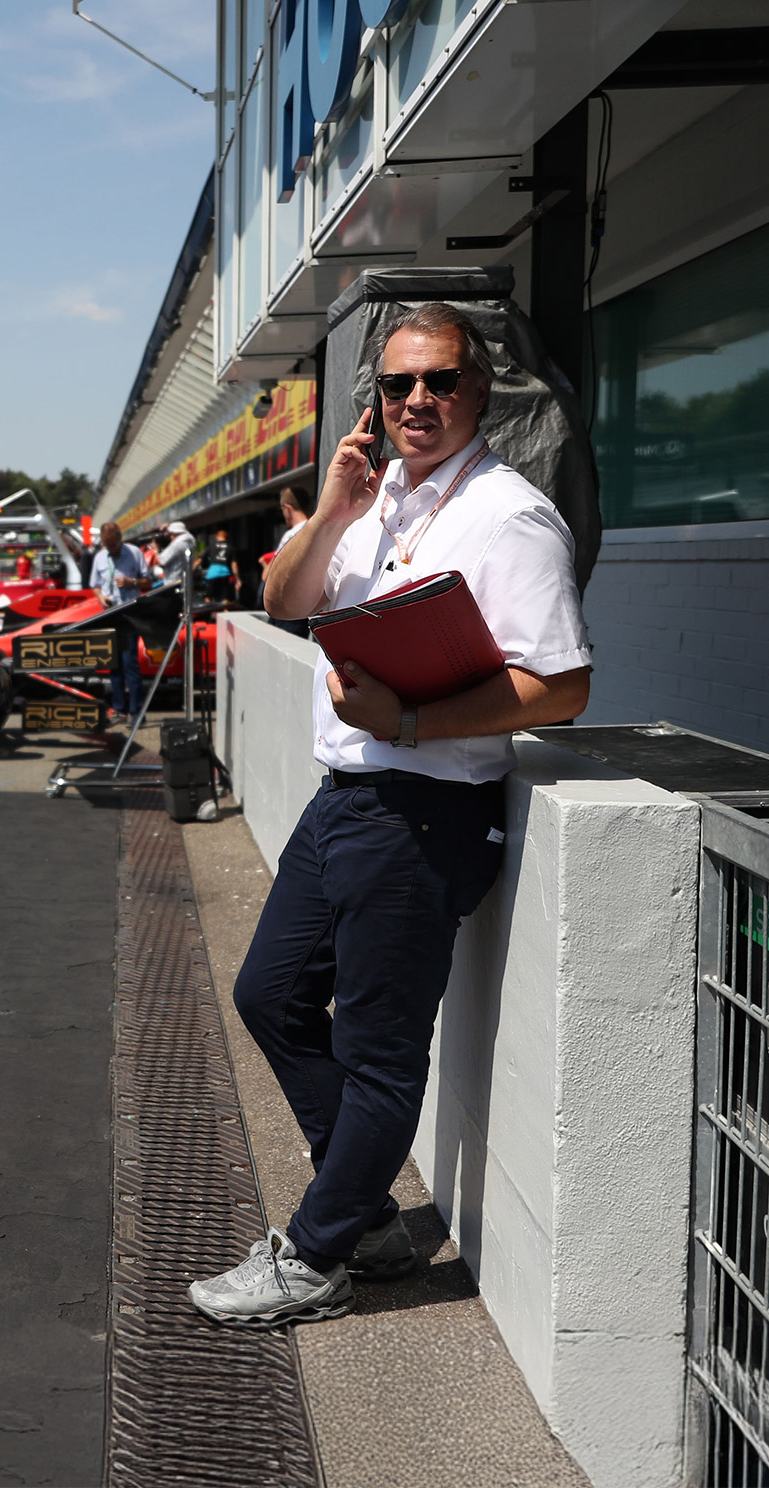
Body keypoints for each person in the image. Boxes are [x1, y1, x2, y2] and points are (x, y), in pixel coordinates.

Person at [188, 303, 592, 1329]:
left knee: (378, 1051)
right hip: (346, 801)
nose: (418, 400)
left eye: (441, 381)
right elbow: (283, 603)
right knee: (269, 995)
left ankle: (318, 1258)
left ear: (480, 389)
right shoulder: (375, 501)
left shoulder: (510, 517)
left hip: (424, 812)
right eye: (400, 383)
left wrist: (411, 719)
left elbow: (562, 688)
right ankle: (362, 1212)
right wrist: (332, 507)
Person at [90, 520, 150, 721]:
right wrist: (100, 597)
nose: (111, 549)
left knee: (129, 662)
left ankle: (137, 711)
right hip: (110, 613)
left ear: (120, 539)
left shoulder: (134, 553)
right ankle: (118, 708)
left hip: (130, 613)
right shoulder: (99, 557)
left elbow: (148, 581)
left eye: (113, 545)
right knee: (113, 662)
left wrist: (131, 581)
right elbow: (95, 585)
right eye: (107, 545)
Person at [259, 488, 312, 633]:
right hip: (304, 607)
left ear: (287, 508)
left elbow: (266, 575)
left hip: (284, 608)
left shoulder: (290, 535)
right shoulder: (313, 529)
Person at [199, 528, 239, 602]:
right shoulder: (230, 548)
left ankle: (209, 610)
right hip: (225, 574)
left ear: (217, 537)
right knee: (225, 598)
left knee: (208, 597)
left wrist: (191, 571)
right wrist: (238, 579)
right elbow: (234, 564)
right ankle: (225, 611)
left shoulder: (211, 547)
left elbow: (199, 560)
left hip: (212, 574)